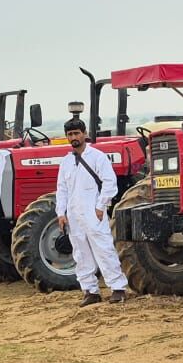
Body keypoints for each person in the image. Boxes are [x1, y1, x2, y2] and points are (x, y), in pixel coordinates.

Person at [55, 118, 126, 307]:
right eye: (70, 134)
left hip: (93, 211)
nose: (74, 137)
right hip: (74, 214)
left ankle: (118, 288)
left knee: (104, 249)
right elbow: (62, 189)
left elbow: (110, 183)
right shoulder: (66, 162)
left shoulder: (97, 157)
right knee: (80, 253)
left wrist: (100, 206)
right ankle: (90, 290)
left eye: (77, 133)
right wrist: (61, 212)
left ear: (84, 134)